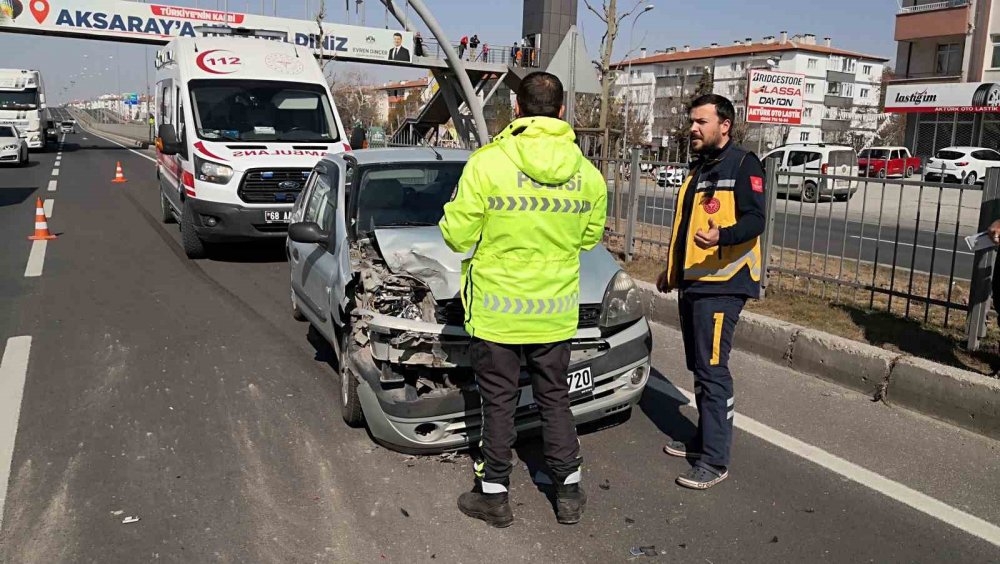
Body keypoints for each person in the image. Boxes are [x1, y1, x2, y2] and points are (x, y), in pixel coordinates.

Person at [439, 72, 608, 528]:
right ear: (561, 112)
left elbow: (456, 235)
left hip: (496, 313)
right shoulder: (587, 174)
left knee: (498, 403)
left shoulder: (487, 163)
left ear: (516, 109)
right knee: (554, 398)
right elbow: (590, 238)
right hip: (554, 313)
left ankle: (494, 496)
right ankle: (568, 493)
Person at [655, 94, 766, 490]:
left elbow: (756, 220)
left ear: (725, 125)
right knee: (701, 369)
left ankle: (715, 460)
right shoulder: (700, 167)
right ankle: (702, 441)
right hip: (695, 282)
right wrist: (673, 271)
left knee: (713, 372)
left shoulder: (743, 164)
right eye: (692, 122)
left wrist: (723, 236)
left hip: (724, 285)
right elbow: (687, 225)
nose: (693, 129)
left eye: (701, 122)